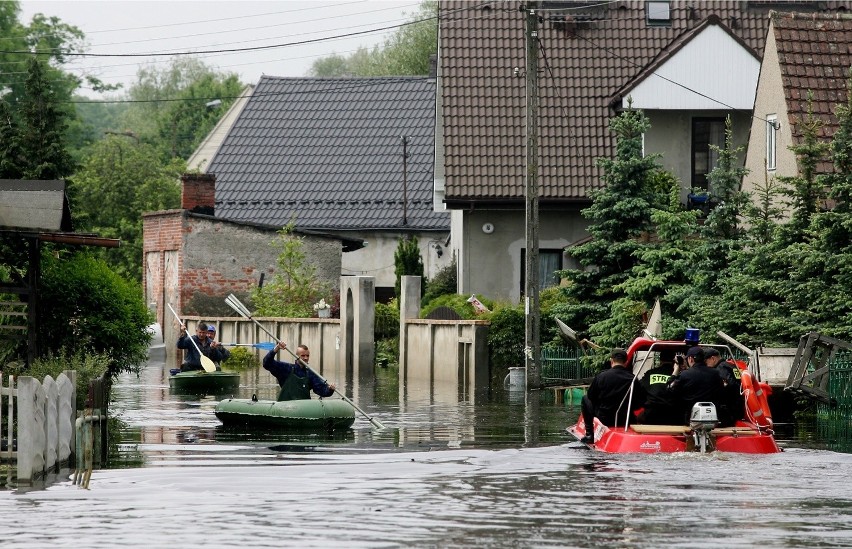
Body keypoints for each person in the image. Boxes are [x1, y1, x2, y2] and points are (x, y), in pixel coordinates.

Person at [580, 348, 646, 444]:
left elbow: (591, 396)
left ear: (611, 361)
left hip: (605, 418)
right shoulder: (633, 379)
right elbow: (640, 402)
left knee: (585, 398)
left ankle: (590, 434)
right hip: (625, 419)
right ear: (626, 362)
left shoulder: (602, 376)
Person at [666, 346, 725, 425]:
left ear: (690, 359)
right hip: (713, 418)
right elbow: (722, 392)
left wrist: (675, 371)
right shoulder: (716, 373)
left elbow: (669, 390)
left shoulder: (685, 374)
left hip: (690, 419)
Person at [263, 342, 336, 401]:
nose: (306, 358)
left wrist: (330, 389)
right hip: (286, 406)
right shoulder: (285, 368)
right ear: (297, 356)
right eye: (303, 356)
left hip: (304, 409)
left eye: (307, 356)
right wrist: (277, 348)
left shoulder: (310, 374)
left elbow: (321, 390)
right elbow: (267, 363)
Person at [637, 350, 680, 425]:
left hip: (650, 414)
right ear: (673, 360)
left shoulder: (650, 373)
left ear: (660, 360)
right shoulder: (678, 375)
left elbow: (640, 389)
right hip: (672, 416)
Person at [705, 347, 744, 427]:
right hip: (739, 406)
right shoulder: (732, 366)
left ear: (713, 359)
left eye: (705, 362)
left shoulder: (720, 368)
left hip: (728, 410)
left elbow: (729, 385)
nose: (705, 365)